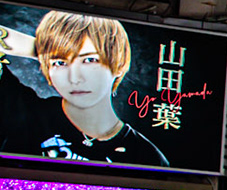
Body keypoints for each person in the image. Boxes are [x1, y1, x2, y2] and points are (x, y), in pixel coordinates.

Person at [0, 10, 170, 167]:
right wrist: (45, 50)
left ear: (118, 64)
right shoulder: (26, 112)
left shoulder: (148, 158)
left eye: (89, 60)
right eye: (60, 63)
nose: (74, 78)